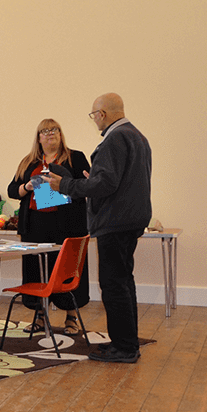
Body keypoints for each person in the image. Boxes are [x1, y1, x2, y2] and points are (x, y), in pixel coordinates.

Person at [46, 93, 152, 363]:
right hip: (131, 219)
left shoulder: (114, 139)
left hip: (114, 222)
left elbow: (105, 185)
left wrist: (65, 186)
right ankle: (124, 342)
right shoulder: (138, 137)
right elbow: (116, 180)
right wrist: (92, 179)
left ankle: (124, 348)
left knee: (114, 285)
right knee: (124, 283)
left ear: (102, 114)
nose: (94, 120)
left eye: (94, 115)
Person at [6, 118, 91, 333]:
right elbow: (12, 190)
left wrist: (64, 185)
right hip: (35, 226)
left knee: (67, 271)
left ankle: (71, 319)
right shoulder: (29, 161)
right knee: (36, 272)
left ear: (61, 135)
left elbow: (88, 186)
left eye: (54, 130)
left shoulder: (75, 158)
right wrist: (28, 185)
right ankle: (39, 317)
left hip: (68, 225)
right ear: (38, 137)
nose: (50, 133)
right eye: (45, 131)